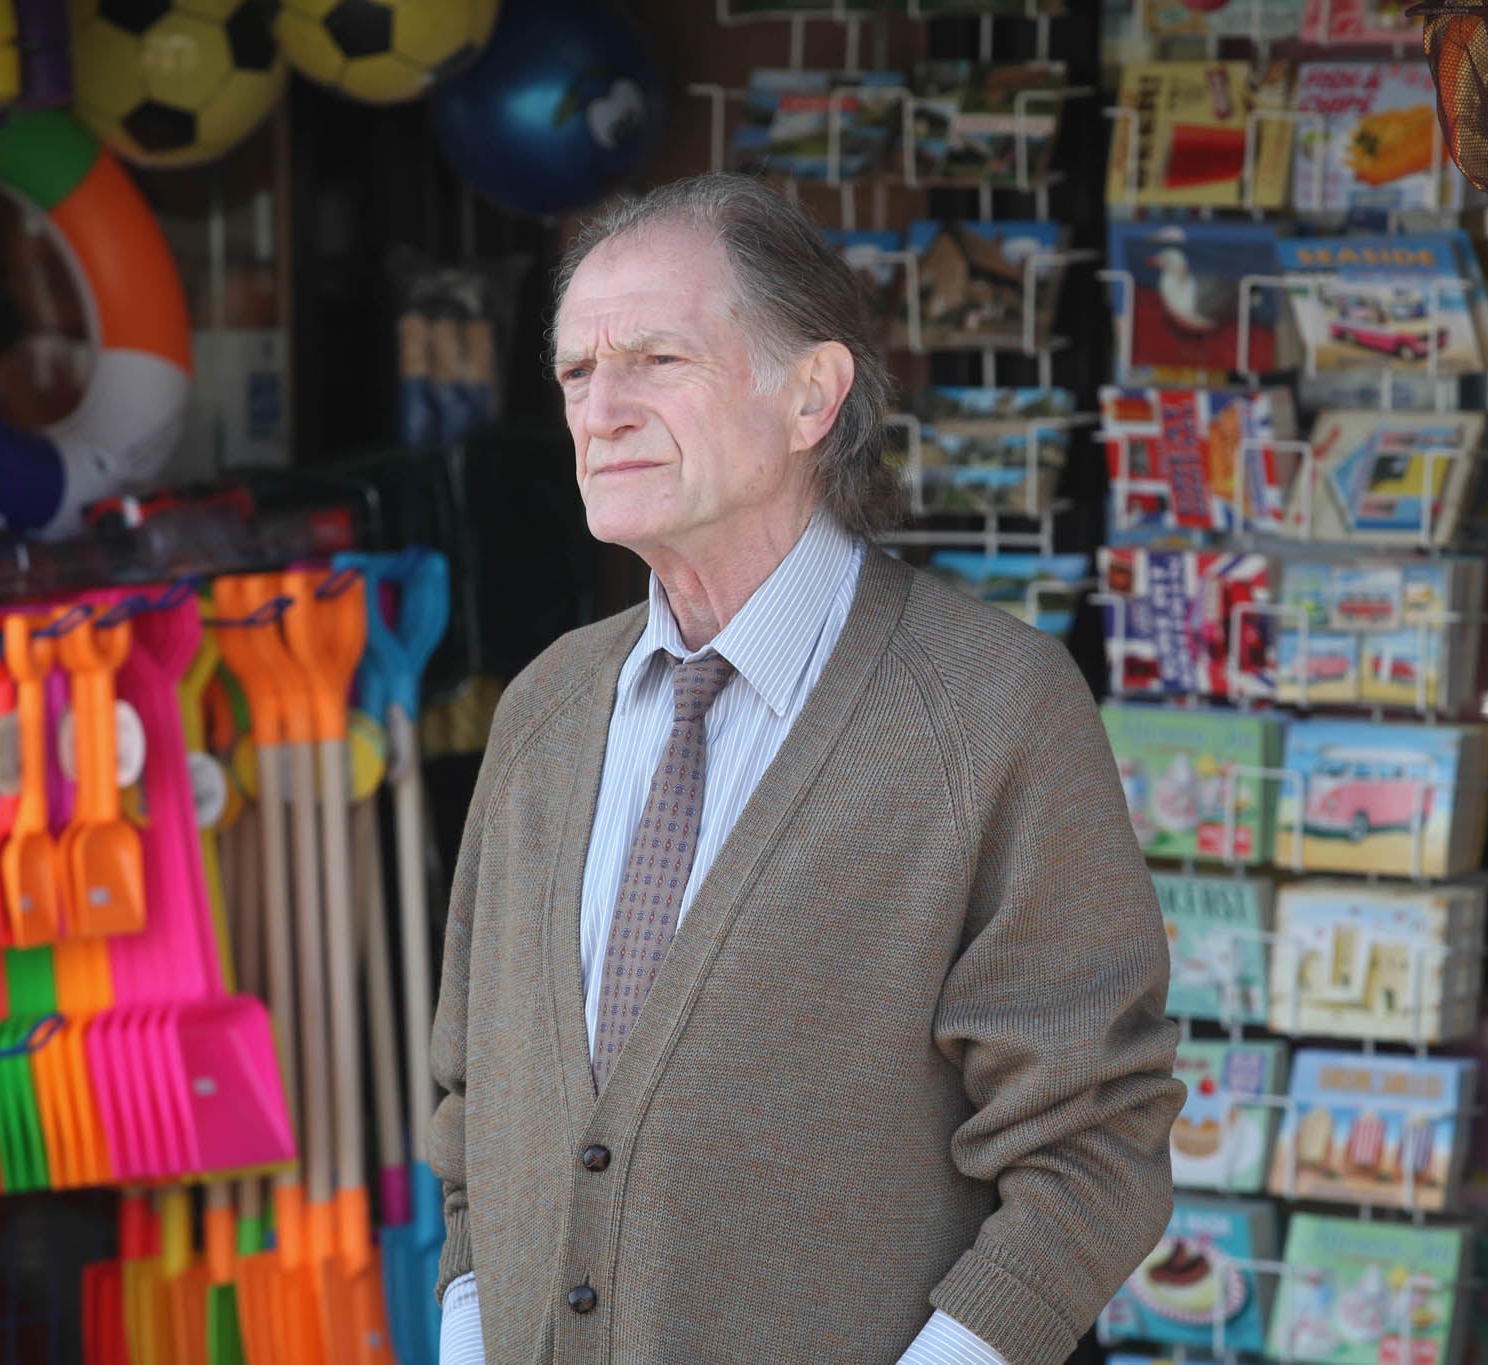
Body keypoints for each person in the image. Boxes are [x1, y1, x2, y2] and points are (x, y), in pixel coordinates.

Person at [430, 172, 1185, 1365]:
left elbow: (1094, 1145)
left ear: (810, 396)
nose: (600, 409)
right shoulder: (543, 713)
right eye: (576, 371)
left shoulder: (989, 707)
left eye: (654, 361)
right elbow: (473, 1110)